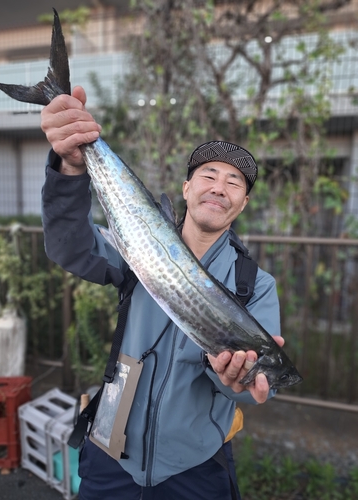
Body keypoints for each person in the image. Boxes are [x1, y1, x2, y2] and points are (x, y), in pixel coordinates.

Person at [40, 85, 284, 500]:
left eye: (234, 183)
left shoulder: (254, 283)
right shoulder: (137, 248)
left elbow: (260, 381)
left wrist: (235, 380)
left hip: (196, 466)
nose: (219, 187)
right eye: (209, 175)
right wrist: (69, 168)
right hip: (111, 453)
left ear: (240, 205)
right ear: (187, 188)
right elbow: (70, 247)